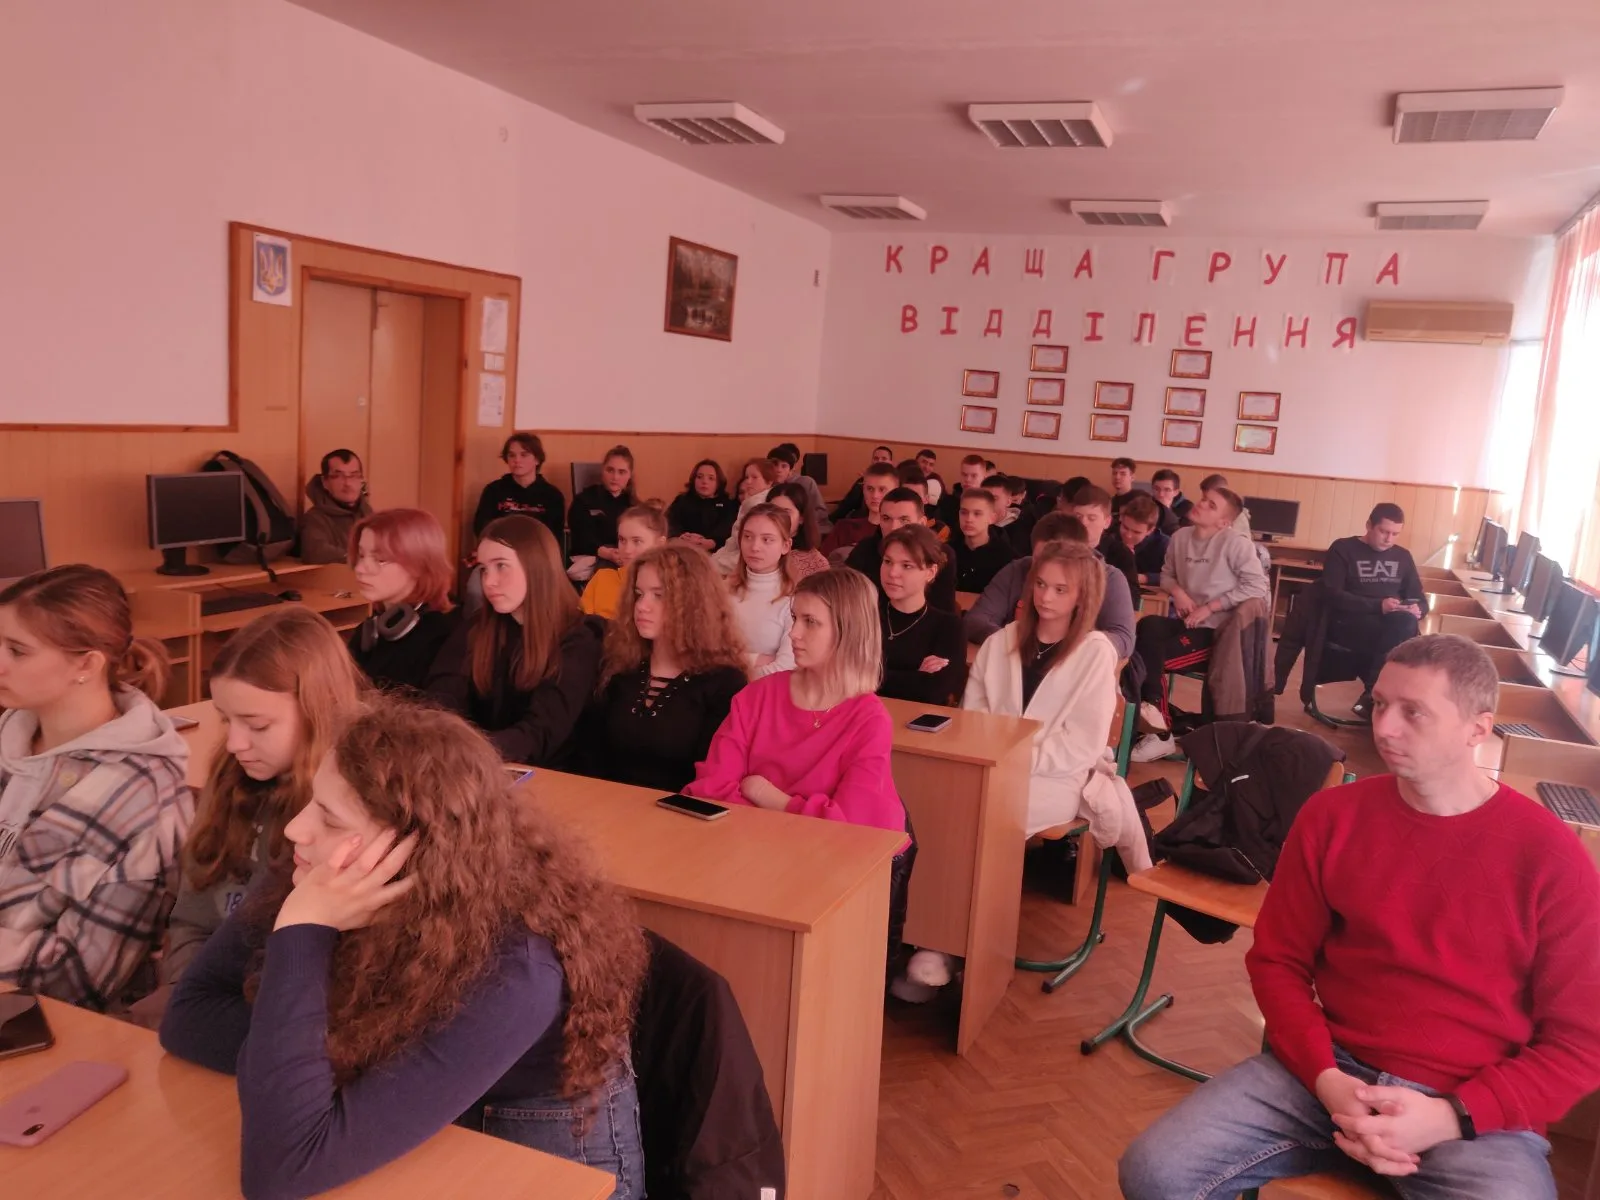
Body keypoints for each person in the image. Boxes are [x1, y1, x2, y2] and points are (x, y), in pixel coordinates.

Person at [1119, 634, 1600, 1200]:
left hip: (1472, 1110)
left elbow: (1581, 1042)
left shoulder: (1550, 856)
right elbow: (1277, 961)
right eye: (1379, 704)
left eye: (1413, 712)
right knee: (1154, 1172)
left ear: (1477, 729)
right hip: (1330, 1073)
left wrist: (1452, 1115)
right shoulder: (1333, 817)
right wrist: (1326, 1079)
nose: (1384, 727)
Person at [160, 696, 649, 1199]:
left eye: (330, 818)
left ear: (413, 853)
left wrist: (302, 932)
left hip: (532, 1139)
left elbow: (283, 1169)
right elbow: (189, 1017)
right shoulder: (320, 866)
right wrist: (320, 1055)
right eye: (313, 802)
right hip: (419, 1110)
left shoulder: (517, 969)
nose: (295, 829)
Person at [687, 569, 916, 976]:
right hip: (764, 858)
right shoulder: (757, 696)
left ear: (847, 632)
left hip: (845, 869)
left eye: (811, 622)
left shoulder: (869, 719)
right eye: (795, 618)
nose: (794, 633)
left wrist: (771, 798)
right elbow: (711, 788)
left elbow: (846, 828)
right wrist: (794, 815)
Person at [147, 608, 365, 1016]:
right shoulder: (230, 780)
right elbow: (192, 920)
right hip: (209, 997)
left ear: (318, 711)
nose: (234, 744)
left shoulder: (355, 810)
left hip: (293, 1011)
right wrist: (191, 993)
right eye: (225, 720)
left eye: (257, 725)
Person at [0, 566, 190, 1010]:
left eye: (17, 651)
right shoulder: (10, 733)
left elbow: (81, 976)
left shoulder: (145, 799)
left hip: (51, 1020)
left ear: (86, 664)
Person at [428, 516, 603, 766]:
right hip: (478, 764)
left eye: (501, 566)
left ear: (536, 566)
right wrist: (446, 740)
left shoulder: (578, 638)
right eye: (484, 569)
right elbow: (444, 693)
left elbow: (541, 732)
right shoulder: (479, 625)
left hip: (553, 775)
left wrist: (470, 750)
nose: (488, 581)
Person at [577, 545, 748, 793]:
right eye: (639, 594)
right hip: (606, 804)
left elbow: (709, 780)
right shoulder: (619, 665)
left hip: (680, 810)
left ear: (693, 604)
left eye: (659, 595)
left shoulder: (725, 682)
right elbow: (589, 755)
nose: (642, 606)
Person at [1129, 486, 1271, 761]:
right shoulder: (1180, 537)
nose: (1202, 504)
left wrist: (1210, 607)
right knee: (1148, 627)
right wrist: (1179, 593)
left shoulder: (1236, 544)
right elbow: (1167, 576)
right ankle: (1155, 717)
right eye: (1204, 499)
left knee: (1149, 658)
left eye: (1211, 505)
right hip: (1188, 624)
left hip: (1219, 634)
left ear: (1224, 522)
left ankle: (1160, 733)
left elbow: (1257, 586)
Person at [964, 512, 1137, 660]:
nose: (1046, 570)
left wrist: (1061, 647)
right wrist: (1019, 642)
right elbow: (975, 620)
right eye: (1040, 560)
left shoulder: (1110, 578)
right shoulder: (1018, 569)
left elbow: (1123, 639)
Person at [1322, 503, 1429, 717]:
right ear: (1369, 525)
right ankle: (1381, 697)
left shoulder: (1403, 556)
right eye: (1384, 531)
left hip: (1392, 624)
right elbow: (1331, 595)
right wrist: (1378, 606)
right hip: (1350, 622)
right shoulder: (1343, 548)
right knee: (1404, 634)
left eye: (1395, 534)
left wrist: (1418, 609)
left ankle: (1376, 696)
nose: (1389, 539)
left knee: (1406, 625)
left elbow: (1420, 598)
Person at [347, 508, 457, 692]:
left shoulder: (444, 639)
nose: (359, 568)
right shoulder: (370, 631)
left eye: (380, 559)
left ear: (420, 563)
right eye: (361, 555)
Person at [877, 526, 967, 705]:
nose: (892, 573)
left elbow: (936, 690)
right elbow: (845, 678)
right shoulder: (862, 617)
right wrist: (916, 675)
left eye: (906, 566)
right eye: (887, 561)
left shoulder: (949, 626)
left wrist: (877, 675)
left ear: (930, 572)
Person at [848, 487, 958, 613]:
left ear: (922, 523)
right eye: (886, 518)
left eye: (904, 520)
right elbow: (846, 595)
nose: (894, 527)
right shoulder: (865, 548)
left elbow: (944, 609)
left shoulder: (940, 553)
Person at [727, 503, 797, 679]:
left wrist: (735, 667)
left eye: (767, 540)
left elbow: (785, 668)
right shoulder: (722, 590)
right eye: (748, 537)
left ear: (785, 546)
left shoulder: (795, 600)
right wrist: (756, 659)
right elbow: (705, 652)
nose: (754, 547)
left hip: (766, 691)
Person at [580, 504, 669, 619]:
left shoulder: (670, 586)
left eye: (637, 541)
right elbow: (583, 624)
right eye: (622, 540)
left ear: (659, 544)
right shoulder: (602, 579)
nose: (627, 550)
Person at [472, 432, 565, 541]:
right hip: (500, 546)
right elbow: (482, 529)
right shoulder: (493, 490)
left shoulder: (552, 495)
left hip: (536, 548)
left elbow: (553, 537)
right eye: (511, 455)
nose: (517, 460)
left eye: (524, 455)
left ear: (537, 460)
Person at [567, 445, 636, 583]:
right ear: (602, 470)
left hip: (625, 558)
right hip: (591, 557)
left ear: (629, 475)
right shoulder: (584, 500)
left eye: (622, 472)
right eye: (610, 470)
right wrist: (606, 553)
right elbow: (581, 536)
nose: (615, 477)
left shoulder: (634, 506)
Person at [1068, 485, 1141, 602]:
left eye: (1091, 518)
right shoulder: (1060, 549)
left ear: (1107, 522)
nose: (1083, 523)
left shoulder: (1121, 554)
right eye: (1078, 517)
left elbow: (1132, 599)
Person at [300, 449, 373, 564]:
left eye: (354, 476)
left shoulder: (367, 513)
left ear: (361, 480)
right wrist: (360, 557)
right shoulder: (315, 518)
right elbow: (315, 551)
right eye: (338, 476)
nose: (347, 483)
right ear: (325, 482)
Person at [711, 458, 778, 575]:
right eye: (747, 477)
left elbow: (742, 541)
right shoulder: (750, 502)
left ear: (769, 482)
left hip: (748, 556)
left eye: (754, 477)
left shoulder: (762, 506)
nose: (749, 481)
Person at [822, 462, 898, 557]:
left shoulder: (900, 532)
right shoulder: (844, 527)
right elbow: (822, 562)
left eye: (882, 490)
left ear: (895, 492)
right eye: (870, 489)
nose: (875, 495)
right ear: (863, 490)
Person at [951, 487, 1017, 593]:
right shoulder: (947, 551)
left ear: (992, 518)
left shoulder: (1005, 557)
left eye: (977, 514)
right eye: (964, 512)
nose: (969, 519)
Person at [667, 459, 737, 552]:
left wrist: (711, 542)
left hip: (716, 552)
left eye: (711, 478)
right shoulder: (682, 500)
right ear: (694, 480)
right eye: (699, 477)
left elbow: (728, 530)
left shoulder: (727, 504)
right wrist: (680, 537)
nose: (704, 481)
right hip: (682, 548)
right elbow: (670, 522)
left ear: (718, 482)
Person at [768, 481, 830, 580]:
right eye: (772, 511)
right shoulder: (756, 549)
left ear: (801, 517)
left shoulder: (816, 563)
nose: (777, 517)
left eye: (785, 512)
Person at [765, 443, 830, 534]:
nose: (779, 470)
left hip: (814, 529)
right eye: (775, 464)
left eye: (784, 466)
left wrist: (801, 518)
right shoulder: (767, 486)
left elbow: (822, 512)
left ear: (791, 469)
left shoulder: (806, 482)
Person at [830, 446, 895, 523]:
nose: (879, 461)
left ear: (891, 462)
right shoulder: (862, 480)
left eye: (884, 459)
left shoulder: (895, 480)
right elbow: (848, 503)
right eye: (876, 458)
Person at [1118, 493, 1170, 588]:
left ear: (1150, 531)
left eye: (1136, 532)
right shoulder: (1111, 537)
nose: (1128, 535)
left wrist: (1143, 578)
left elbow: (1174, 576)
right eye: (1125, 527)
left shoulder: (1164, 544)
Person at [937, 453, 989, 527]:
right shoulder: (947, 503)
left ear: (984, 478)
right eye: (964, 475)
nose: (967, 479)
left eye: (974, 476)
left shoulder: (989, 504)